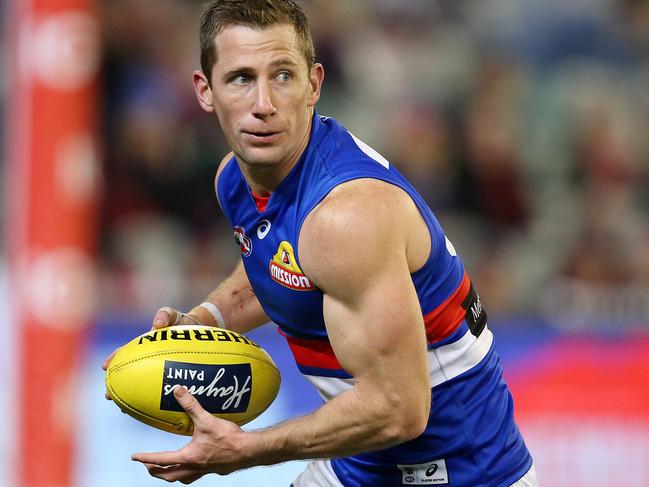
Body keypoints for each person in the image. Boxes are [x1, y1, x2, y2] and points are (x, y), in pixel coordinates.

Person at [103, 1, 538, 485]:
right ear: (205, 91)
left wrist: (243, 450)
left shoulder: (346, 218)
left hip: (462, 471)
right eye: (241, 78)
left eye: (282, 76)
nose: (263, 103)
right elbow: (277, 262)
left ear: (314, 85)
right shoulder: (235, 179)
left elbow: (399, 409)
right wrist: (206, 319)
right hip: (362, 461)